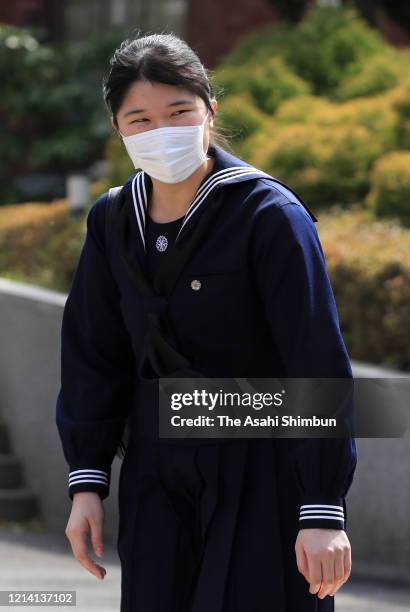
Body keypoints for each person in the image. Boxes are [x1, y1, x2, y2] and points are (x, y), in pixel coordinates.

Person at [56, 32, 357, 612]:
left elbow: (315, 358)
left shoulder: (269, 216)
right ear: (116, 128)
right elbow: (93, 355)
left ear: (210, 110)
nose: (159, 131)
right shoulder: (114, 220)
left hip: (262, 472)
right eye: (138, 118)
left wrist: (321, 507)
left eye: (178, 112)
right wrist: (88, 482)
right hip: (156, 479)